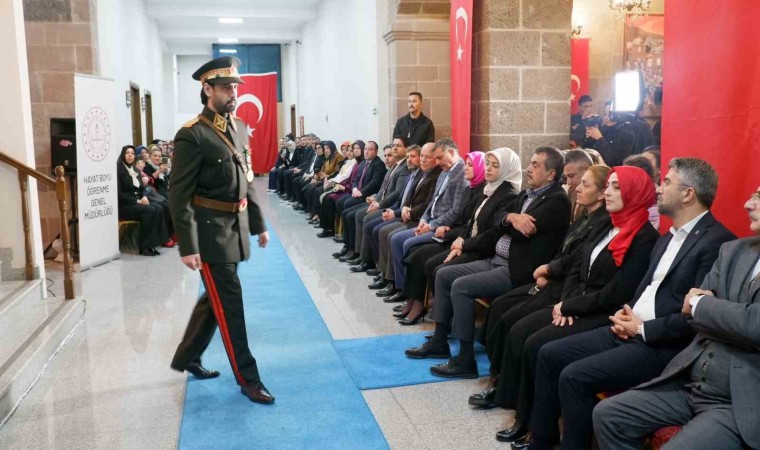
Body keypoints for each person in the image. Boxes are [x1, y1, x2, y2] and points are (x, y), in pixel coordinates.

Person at [526, 158, 736, 450]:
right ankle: (541, 441)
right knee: (549, 354)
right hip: (628, 327)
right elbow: (644, 288)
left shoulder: (717, 243)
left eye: (666, 182)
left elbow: (695, 316)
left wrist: (641, 329)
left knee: (574, 376)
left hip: (662, 345)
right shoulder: (668, 237)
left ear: (688, 194)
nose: (658, 189)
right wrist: (627, 315)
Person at [489, 166, 660, 448]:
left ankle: (540, 431)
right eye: (608, 186)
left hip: (603, 313)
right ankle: (526, 418)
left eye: (617, 187)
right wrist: (564, 304)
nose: (608, 192)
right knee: (524, 332)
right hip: (575, 302)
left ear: (634, 193)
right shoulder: (607, 223)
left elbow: (617, 293)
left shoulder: (645, 238)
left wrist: (572, 306)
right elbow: (577, 266)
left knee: (538, 345)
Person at [593, 185, 760, 450]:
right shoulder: (733, 251)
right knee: (609, 415)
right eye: (752, 196)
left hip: (737, 399)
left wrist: (704, 306)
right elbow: (689, 312)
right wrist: (713, 312)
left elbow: (753, 325)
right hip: (689, 381)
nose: (748, 204)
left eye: (759, 198)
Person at [404, 147, 571, 379]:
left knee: (461, 286)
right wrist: (510, 217)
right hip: (495, 259)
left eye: (535, 165)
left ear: (551, 174)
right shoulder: (526, 194)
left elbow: (521, 232)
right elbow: (497, 221)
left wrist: (507, 222)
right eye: (530, 163)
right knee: (443, 274)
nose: (528, 169)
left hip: (515, 268)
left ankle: (465, 360)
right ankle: (440, 341)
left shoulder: (557, 201)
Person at [168, 56, 274, 405]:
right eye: (226, 87)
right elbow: (179, 194)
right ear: (207, 89)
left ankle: (188, 356)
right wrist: (188, 244)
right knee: (230, 304)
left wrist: (257, 223)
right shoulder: (192, 135)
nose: (234, 93)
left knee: (214, 299)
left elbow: (247, 178)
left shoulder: (239, 127)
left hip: (236, 227)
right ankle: (249, 378)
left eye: (235, 87)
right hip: (210, 233)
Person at [471, 165, 612, 410]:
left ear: (601, 193)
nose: (577, 187)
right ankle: (498, 376)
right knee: (500, 307)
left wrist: (549, 270)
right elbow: (563, 249)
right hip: (553, 278)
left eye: (585, 184)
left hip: (563, 287)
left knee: (514, 322)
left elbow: (577, 260)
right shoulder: (584, 215)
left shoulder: (597, 219)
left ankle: (505, 388)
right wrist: (512, 220)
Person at [397, 148, 521, 324]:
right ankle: (415, 301)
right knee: (415, 252)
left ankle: (442, 314)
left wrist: (458, 240)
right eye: (487, 164)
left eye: (494, 165)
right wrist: (457, 237)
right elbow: (468, 221)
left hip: (476, 247)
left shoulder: (499, 193)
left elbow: (485, 230)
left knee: (431, 263)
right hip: (459, 237)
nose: (466, 168)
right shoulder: (480, 189)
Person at [379, 138, 467, 301]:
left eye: (438, 157)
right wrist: (424, 219)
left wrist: (431, 225)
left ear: (451, 152)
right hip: (429, 221)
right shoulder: (444, 171)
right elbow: (432, 201)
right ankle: (399, 285)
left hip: (444, 228)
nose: (437, 162)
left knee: (404, 242)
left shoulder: (461, 174)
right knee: (395, 237)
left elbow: (455, 212)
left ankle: (407, 291)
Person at [345, 138, 411, 267]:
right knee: (357, 214)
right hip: (381, 202)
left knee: (366, 219)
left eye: (398, 146)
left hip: (391, 206)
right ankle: (360, 254)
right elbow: (383, 189)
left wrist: (379, 204)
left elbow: (397, 193)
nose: (395, 148)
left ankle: (368, 260)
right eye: (393, 145)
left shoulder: (404, 168)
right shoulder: (395, 166)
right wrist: (376, 199)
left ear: (406, 148)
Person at [116, 145, 170, 256]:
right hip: (126, 206)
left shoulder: (136, 170)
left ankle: (154, 244)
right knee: (149, 210)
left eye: (132, 153)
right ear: (123, 155)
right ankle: (144, 247)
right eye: (127, 153)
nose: (130, 155)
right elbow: (119, 194)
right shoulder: (118, 171)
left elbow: (143, 188)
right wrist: (137, 201)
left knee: (159, 208)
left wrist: (144, 196)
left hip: (139, 202)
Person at [563, 149, 593, 222]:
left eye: (571, 176)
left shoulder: (602, 197)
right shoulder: (572, 190)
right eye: (565, 177)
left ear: (587, 169)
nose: (568, 182)